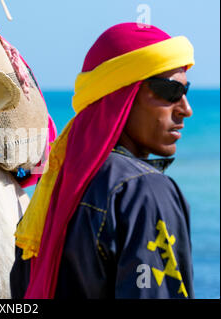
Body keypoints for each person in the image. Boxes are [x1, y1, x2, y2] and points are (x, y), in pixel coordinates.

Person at [10, 22, 195, 299]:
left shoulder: (55, 189)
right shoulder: (145, 191)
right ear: (124, 94)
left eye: (186, 91)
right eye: (171, 92)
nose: (186, 110)